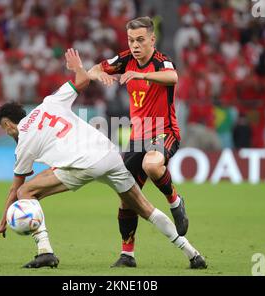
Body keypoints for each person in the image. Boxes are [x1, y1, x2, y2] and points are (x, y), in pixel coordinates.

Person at [0, 49, 207, 270]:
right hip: (108, 154)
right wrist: (77, 68)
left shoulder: (23, 143)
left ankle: (45, 252)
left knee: (26, 193)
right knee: (145, 208)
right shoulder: (49, 103)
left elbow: (15, 189)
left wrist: (3, 222)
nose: (8, 133)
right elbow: (83, 80)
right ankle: (192, 253)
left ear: (8, 124)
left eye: (5, 129)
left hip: (82, 164)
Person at [87, 16, 188, 267]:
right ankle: (127, 255)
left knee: (152, 165)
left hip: (164, 131)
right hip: (137, 137)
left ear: (152, 40)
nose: (135, 45)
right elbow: (93, 69)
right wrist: (102, 75)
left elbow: (173, 78)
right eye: (131, 40)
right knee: (127, 196)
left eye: (141, 40)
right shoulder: (125, 60)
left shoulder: (161, 61)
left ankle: (175, 201)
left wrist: (140, 77)